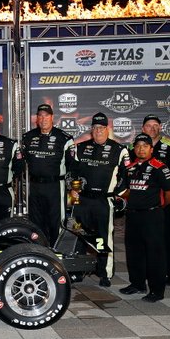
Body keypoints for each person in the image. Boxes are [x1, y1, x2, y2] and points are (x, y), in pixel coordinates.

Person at [69, 112, 129, 287]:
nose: (98, 131)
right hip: (82, 202)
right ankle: (77, 271)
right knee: (79, 235)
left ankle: (105, 273)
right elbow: (73, 173)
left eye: (101, 128)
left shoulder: (119, 150)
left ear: (107, 129)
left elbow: (126, 177)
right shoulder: (80, 148)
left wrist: (117, 194)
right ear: (91, 130)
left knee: (103, 239)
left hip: (104, 202)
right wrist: (74, 189)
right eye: (95, 128)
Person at [121, 133, 170, 303]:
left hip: (152, 215)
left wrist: (157, 207)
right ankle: (137, 284)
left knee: (155, 254)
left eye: (145, 146)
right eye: (138, 146)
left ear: (151, 149)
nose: (141, 149)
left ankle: (157, 290)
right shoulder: (130, 167)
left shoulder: (160, 167)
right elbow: (128, 190)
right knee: (134, 251)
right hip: (132, 215)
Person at [21, 104, 74, 246]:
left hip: (55, 186)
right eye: (40, 116)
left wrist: (74, 189)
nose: (43, 119)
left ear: (52, 118)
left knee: (56, 222)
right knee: (36, 223)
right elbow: (22, 162)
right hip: (35, 187)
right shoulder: (27, 137)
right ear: (37, 119)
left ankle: (57, 254)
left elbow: (72, 166)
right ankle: (39, 252)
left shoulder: (64, 138)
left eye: (46, 116)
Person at [134, 114, 170, 285]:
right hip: (141, 204)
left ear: (160, 128)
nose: (152, 128)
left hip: (162, 204)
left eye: (156, 125)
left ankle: (166, 273)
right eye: (149, 125)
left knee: (165, 239)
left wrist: (162, 203)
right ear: (143, 128)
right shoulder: (134, 148)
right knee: (142, 241)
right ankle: (143, 274)